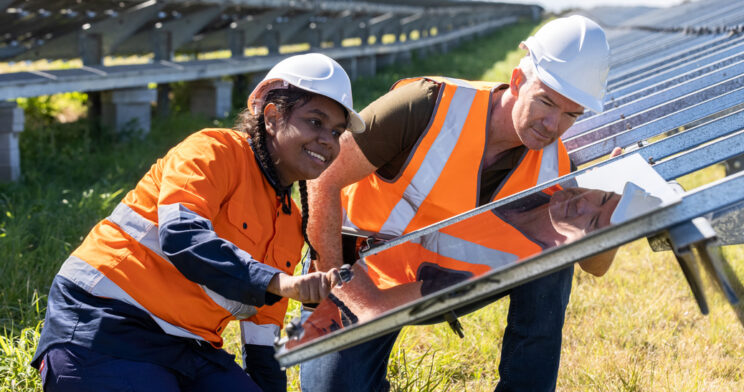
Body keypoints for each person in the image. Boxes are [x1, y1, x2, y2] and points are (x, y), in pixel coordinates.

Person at [300, 16, 617, 391]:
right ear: (517, 80)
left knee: (554, 255)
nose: (552, 125)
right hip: (363, 273)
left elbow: (594, 265)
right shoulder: (426, 105)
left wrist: (613, 196)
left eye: (570, 115)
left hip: (444, 282)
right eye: (545, 101)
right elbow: (322, 177)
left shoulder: (556, 165)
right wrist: (340, 285)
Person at [30, 53, 365, 392]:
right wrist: (279, 282)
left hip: (189, 347)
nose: (328, 140)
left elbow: (263, 344)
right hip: (105, 325)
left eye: (337, 132)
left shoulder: (290, 222)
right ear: (272, 117)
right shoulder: (212, 151)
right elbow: (182, 236)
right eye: (315, 122)